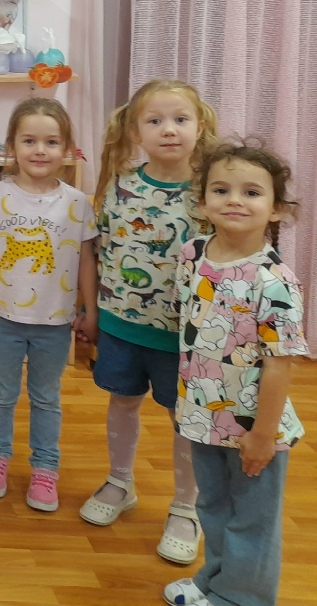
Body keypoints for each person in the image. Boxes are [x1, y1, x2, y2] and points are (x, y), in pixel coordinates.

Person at [79, 79, 218, 565]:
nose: (169, 130)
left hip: (187, 337)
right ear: (136, 131)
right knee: (122, 402)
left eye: (180, 119)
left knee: (185, 420)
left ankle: (186, 507)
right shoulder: (118, 185)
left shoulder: (211, 192)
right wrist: (90, 312)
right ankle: (120, 481)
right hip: (121, 326)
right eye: (155, 121)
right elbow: (98, 252)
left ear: (200, 126)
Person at [164, 142, 307, 606]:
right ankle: (215, 581)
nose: (235, 200)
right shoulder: (192, 254)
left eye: (251, 192)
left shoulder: (274, 281)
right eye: (221, 189)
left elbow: (280, 364)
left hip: (253, 427)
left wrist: (263, 434)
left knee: (252, 519)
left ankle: (242, 597)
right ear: (203, 201)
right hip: (202, 414)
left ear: (277, 209)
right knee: (213, 504)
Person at [0, 98, 97, 512]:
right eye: (29, 141)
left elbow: (87, 260)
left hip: (55, 321)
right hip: (3, 319)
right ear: (12, 146)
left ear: (67, 148)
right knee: (1, 394)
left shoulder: (78, 202)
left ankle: (45, 468)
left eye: (51, 142)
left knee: (46, 397)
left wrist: (90, 309)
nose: (40, 150)